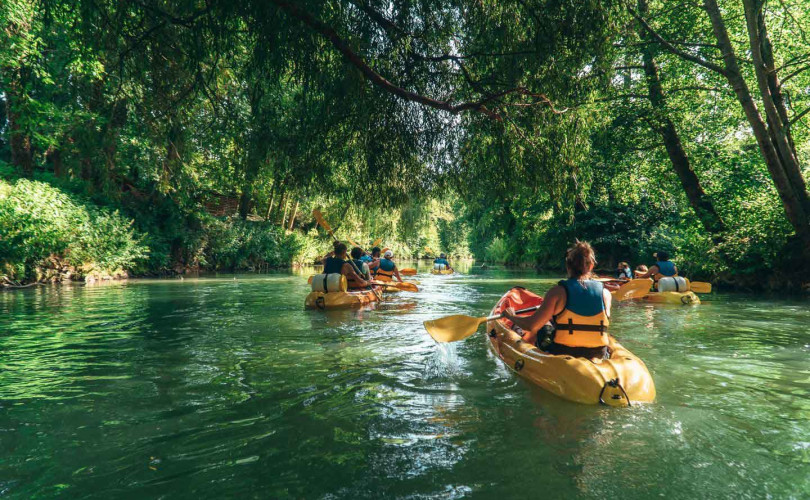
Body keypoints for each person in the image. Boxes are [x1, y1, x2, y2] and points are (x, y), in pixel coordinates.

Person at [502, 241, 612, 359]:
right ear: (591, 266)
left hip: (564, 352)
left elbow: (531, 326)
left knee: (544, 326)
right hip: (598, 353)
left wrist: (511, 316)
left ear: (568, 266)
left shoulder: (557, 292)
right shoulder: (606, 293)